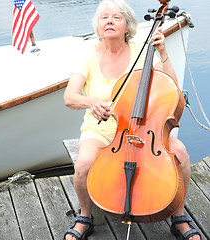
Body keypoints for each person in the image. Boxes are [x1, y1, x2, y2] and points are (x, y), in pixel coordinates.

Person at [64, 0, 201, 239]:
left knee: (181, 154)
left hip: (143, 129)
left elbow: (172, 89)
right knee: (84, 163)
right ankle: (85, 216)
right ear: (98, 26)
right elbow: (70, 97)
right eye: (104, 18)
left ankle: (178, 216)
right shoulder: (87, 56)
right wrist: (91, 102)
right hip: (101, 129)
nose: (109, 21)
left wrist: (163, 53)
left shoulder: (142, 51)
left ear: (127, 26)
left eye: (116, 17)